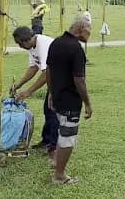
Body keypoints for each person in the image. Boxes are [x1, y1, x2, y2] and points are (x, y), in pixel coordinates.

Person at [46, 17, 93, 185]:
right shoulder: (76, 49)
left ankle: (56, 162)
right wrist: (87, 103)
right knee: (68, 137)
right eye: (89, 30)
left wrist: (51, 92)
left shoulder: (56, 42)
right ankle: (59, 175)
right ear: (80, 29)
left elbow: (48, 70)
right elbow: (79, 80)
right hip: (70, 101)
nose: (90, 34)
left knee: (62, 132)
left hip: (58, 98)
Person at [10, 26, 59, 157]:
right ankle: (47, 141)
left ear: (27, 40)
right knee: (48, 110)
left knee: (54, 112)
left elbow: (46, 74)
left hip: (64, 78)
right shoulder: (32, 47)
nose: (20, 47)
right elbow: (33, 68)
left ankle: (54, 146)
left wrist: (28, 91)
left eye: (20, 43)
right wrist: (18, 85)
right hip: (54, 78)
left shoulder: (44, 45)